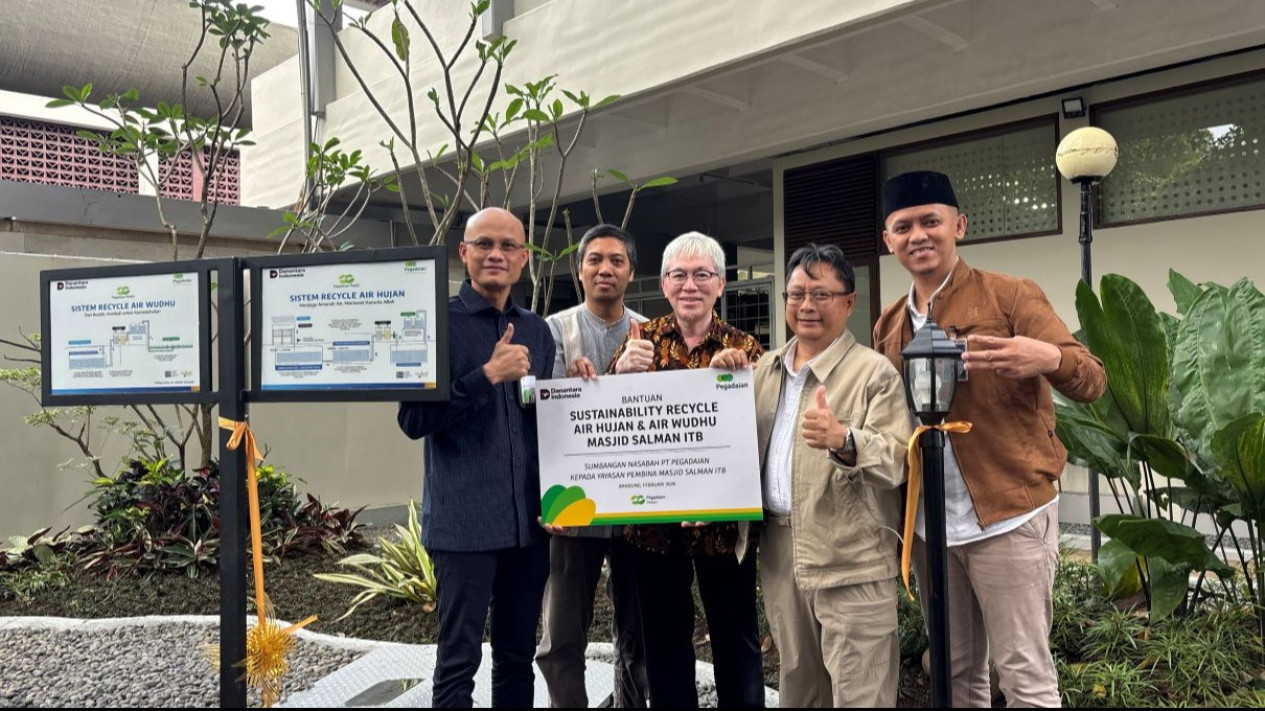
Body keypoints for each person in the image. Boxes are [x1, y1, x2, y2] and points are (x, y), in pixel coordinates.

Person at [872, 171, 1107, 708]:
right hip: (931, 526)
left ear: (959, 225)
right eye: (903, 227)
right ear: (889, 241)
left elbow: (1091, 377)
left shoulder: (1010, 296)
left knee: (1023, 674)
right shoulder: (890, 326)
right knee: (955, 675)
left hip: (1008, 516)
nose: (918, 236)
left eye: (931, 221)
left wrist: (1046, 358)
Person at [397, 207, 556, 708]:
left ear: (524, 259)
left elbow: (543, 420)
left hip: (527, 527)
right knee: (458, 659)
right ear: (463, 253)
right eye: (484, 244)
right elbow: (412, 421)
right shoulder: (435, 324)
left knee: (516, 656)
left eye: (508, 246)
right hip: (464, 526)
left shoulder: (537, 331)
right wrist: (485, 376)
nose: (496, 254)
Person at [610, 230, 766, 708]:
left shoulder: (747, 348)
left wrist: (744, 379)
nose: (690, 285)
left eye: (702, 274)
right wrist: (617, 376)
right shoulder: (639, 343)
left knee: (735, 639)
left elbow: (763, 431)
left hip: (722, 525)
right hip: (652, 525)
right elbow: (606, 429)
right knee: (664, 644)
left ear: (720, 284)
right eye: (679, 275)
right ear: (663, 284)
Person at [753, 243, 911, 707]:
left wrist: (845, 438)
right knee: (800, 691)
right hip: (782, 556)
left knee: (860, 694)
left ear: (850, 301)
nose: (806, 306)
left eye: (821, 295)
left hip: (851, 562)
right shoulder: (766, 369)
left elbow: (900, 460)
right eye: (797, 293)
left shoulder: (873, 373)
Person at [535, 224, 650, 708]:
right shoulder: (554, 330)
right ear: (579, 270)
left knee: (639, 634)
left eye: (616, 260)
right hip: (572, 510)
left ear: (630, 271)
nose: (606, 269)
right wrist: (599, 381)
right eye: (595, 260)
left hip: (638, 506)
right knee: (561, 637)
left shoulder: (650, 330)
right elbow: (542, 406)